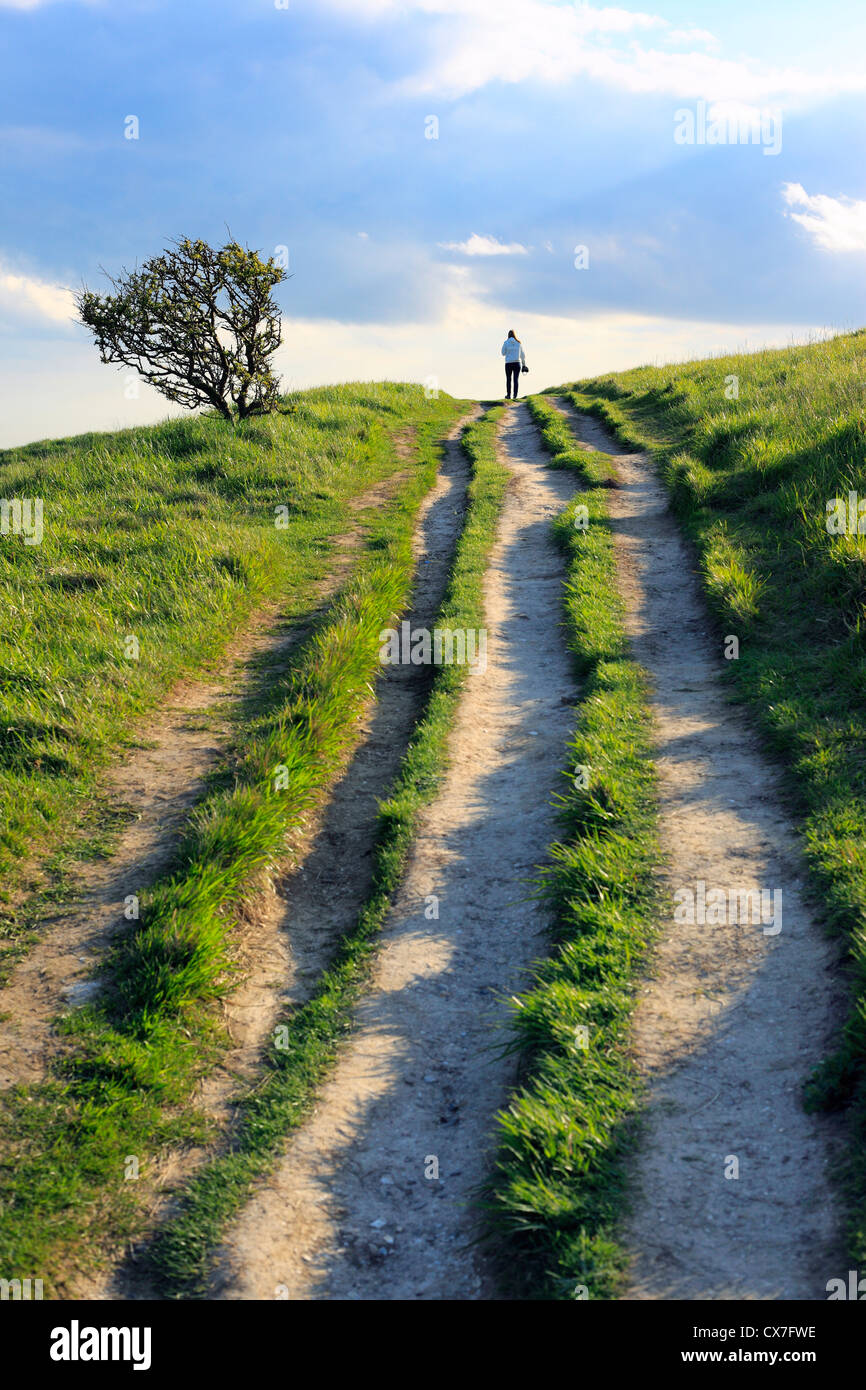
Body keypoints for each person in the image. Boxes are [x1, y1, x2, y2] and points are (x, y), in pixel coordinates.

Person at [501, 329, 526, 399]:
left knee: (508, 379)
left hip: (508, 363)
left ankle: (508, 395)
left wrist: (509, 352)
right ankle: (515, 395)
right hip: (517, 363)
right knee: (516, 379)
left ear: (508, 335)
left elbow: (503, 353)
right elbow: (523, 355)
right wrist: (524, 364)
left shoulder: (506, 343)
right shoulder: (519, 343)